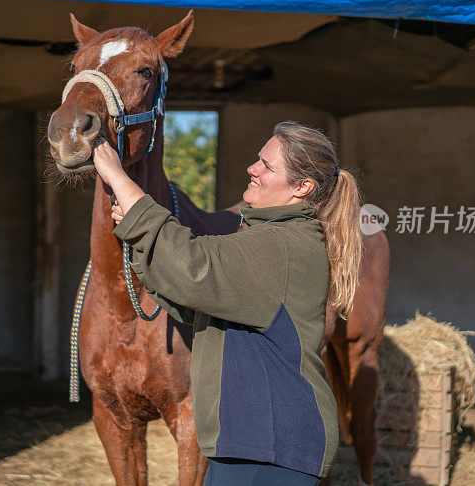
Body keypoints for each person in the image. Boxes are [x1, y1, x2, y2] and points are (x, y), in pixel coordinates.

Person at [92, 121, 362, 486]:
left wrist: (117, 175)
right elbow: (194, 297)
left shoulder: (281, 247)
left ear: (302, 187)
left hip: (269, 444)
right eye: (257, 160)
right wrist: (142, 243)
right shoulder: (274, 238)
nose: (253, 169)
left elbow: (194, 266)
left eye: (267, 166)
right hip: (254, 441)